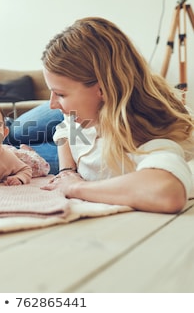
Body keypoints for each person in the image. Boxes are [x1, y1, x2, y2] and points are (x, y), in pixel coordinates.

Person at [38, 17, 193, 214]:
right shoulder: (81, 114)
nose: (52, 104)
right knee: (15, 133)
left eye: (60, 94)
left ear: (103, 89)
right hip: (76, 151)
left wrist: (73, 187)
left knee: (10, 146)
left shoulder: (145, 138)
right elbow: (65, 130)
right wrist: (67, 171)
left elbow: (167, 191)